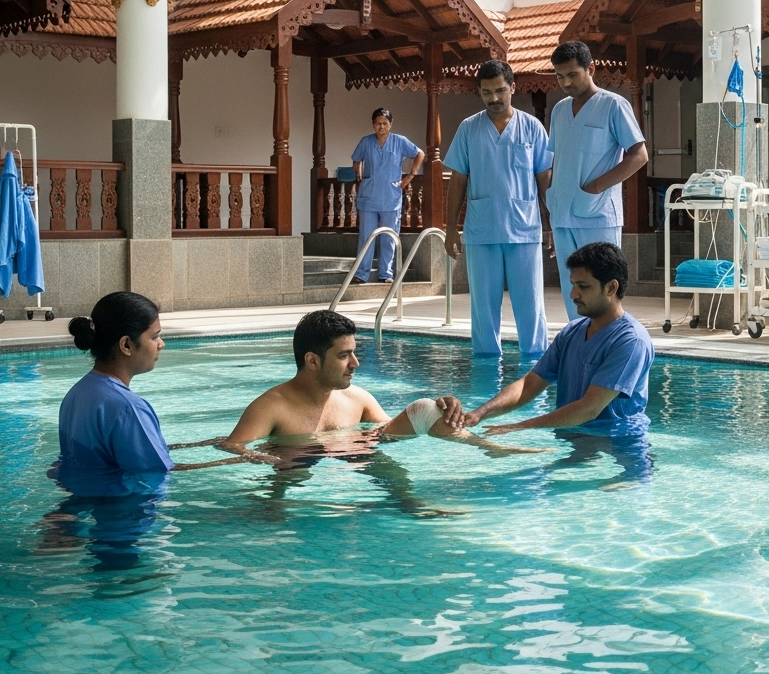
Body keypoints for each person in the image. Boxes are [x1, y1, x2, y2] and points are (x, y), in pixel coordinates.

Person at [219, 310, 545, 460]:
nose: (355, 364)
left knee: (423, 408)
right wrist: (269, 458)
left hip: (355, 455)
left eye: (354, 353)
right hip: (295, 465)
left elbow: (390, 432)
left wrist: (439, 413)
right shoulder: (272, 406)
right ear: (313, 360)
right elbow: (233, 446)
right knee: (296, 462)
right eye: (344, 356)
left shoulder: (356, 398)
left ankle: (490, 451)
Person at [452, 244, 654, 484]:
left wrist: (520, 427)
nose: (573, 294)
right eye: (573, 285)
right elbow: (530, 383)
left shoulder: (630, 341)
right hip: (576, 438)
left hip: (620, 447)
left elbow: (588, 408)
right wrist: (479, 414)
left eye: (583, 286)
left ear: (611, 287)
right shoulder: (572, 332)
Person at [54, 291, 254, 488]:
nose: (161, 344)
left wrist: (198, 444)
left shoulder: (77, 393)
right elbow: (157, 472)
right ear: (126, 345)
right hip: (126, 514)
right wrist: (240, 460)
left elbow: (108, 457)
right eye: (154, 337)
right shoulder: (128, 408)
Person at [443, 60, 553, 357]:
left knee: (530, 306)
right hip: (482, 231)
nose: (494, 98)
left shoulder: (532, 127)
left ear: (512, 88)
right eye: (487, 92)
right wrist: (451, 228)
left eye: (500, 91)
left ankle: (534, 365)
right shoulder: (469, 129)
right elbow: (458, 180)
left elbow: (545, 179)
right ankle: (486, 370)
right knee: (483, 310)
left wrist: (550, 224)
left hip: (524, 229)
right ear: (479, 92)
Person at [546, 41, 649, 319]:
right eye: (560, 76)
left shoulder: (613, 105)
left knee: (602, 290)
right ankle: (579, 349)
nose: (566, 82)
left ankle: (607, 347)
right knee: (574, 293)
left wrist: (595, 187)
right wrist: (554, 212)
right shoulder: (558, 111)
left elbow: (639, 155)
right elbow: (559, 160)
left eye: (572, 74)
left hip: (597, 213)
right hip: (562, 214)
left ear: (591, 68)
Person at [351, 108, 426, 284]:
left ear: (391, 124)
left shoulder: (400, 141)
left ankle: (386, 273)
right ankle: (361, 274)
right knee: (366, 237)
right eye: (378, 123)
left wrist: (411, 175)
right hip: (369, 196)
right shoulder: (366, 142)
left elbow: (420, 154)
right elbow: (356, 160)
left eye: (385, 123)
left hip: (391, 197)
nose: (381, 127)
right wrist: (359, 175)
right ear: (373, 124)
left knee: (389, 236)